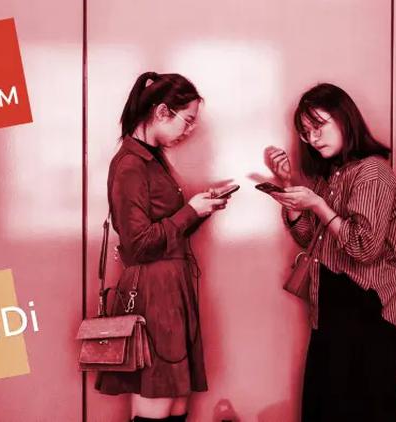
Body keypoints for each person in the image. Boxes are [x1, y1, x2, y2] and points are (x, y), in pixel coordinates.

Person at [264, 83, 396, 421]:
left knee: (361, 411)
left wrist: (317, 204)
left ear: (344, 118)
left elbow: (364, 247)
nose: (313, 138)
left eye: (318, 126)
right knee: (323, 409)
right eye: (306, 132)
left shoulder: (372, 172)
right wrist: (287, 186)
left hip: (368, 315)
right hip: (330, 312)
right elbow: (310, 240)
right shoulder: (331, 175)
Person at [97, 71, 228, 422]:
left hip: (169, 292)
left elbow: (166, 230)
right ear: (161, 112)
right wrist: (190, 211)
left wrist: (201, 210)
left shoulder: (151, 158)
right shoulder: (130, 164)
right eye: (187, 121)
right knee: (156, 401)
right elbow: (139, 245)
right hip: (154, 295)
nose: (189, 131)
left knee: (175, 403)